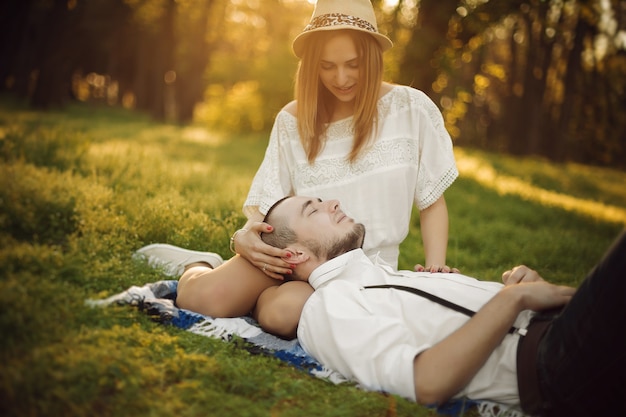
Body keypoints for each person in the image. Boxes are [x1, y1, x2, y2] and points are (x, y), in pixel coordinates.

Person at [135, 0, 458, 339]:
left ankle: (253, 296)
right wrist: (244, 236)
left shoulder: (412, 108)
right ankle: (197, 265)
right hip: (293, 258)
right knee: (200, 298)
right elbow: (269, 207)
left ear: (374, 57)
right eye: (327, 66)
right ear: (311, 67)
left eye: (353, 64)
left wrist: (434, 270)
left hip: (364, 268)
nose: (341, 78)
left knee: (281, 315)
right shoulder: (293, 120)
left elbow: (432, 200)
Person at [259, 195, 625, 417]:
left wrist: (525, 288)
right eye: (314, 209)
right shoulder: (329, 305)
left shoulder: (385, 277)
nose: (333, 203)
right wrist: (512, 300)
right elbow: (426, 383)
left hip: (561, 331)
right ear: (295, 253)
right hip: (554, 364)